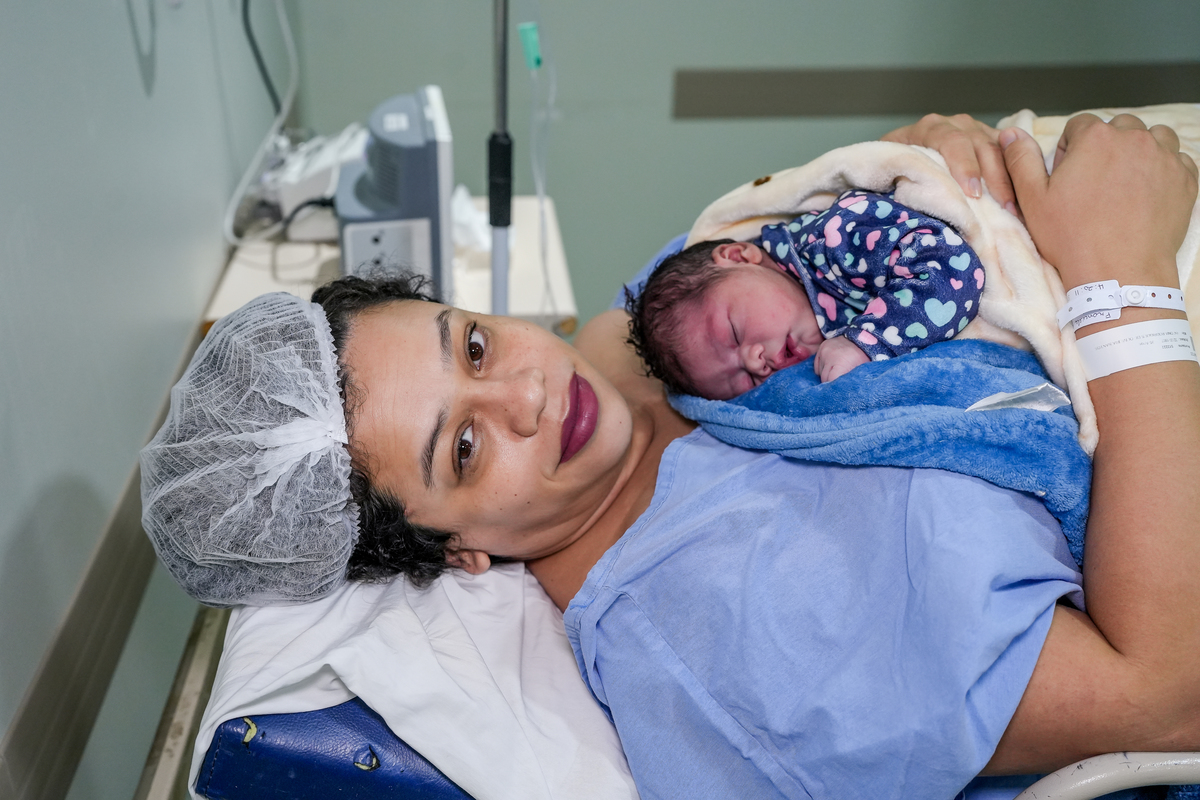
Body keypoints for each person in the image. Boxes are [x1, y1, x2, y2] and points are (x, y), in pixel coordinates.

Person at [140, 113, 1200, 799]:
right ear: (457, 550)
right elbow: (1165, 694)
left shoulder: (633, 343)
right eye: (462, 447)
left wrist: (919, 167)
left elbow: (796, 234)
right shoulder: (735, 628)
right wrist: (1124, 279)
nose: (528, 393)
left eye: (472, 344)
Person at [627, 189, 984, 398]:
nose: (754, 361)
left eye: (734, 333)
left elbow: (950, 267)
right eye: (745, 380)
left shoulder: (833, 238)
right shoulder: (816, 332)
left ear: (739, 256)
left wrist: (866, 342)